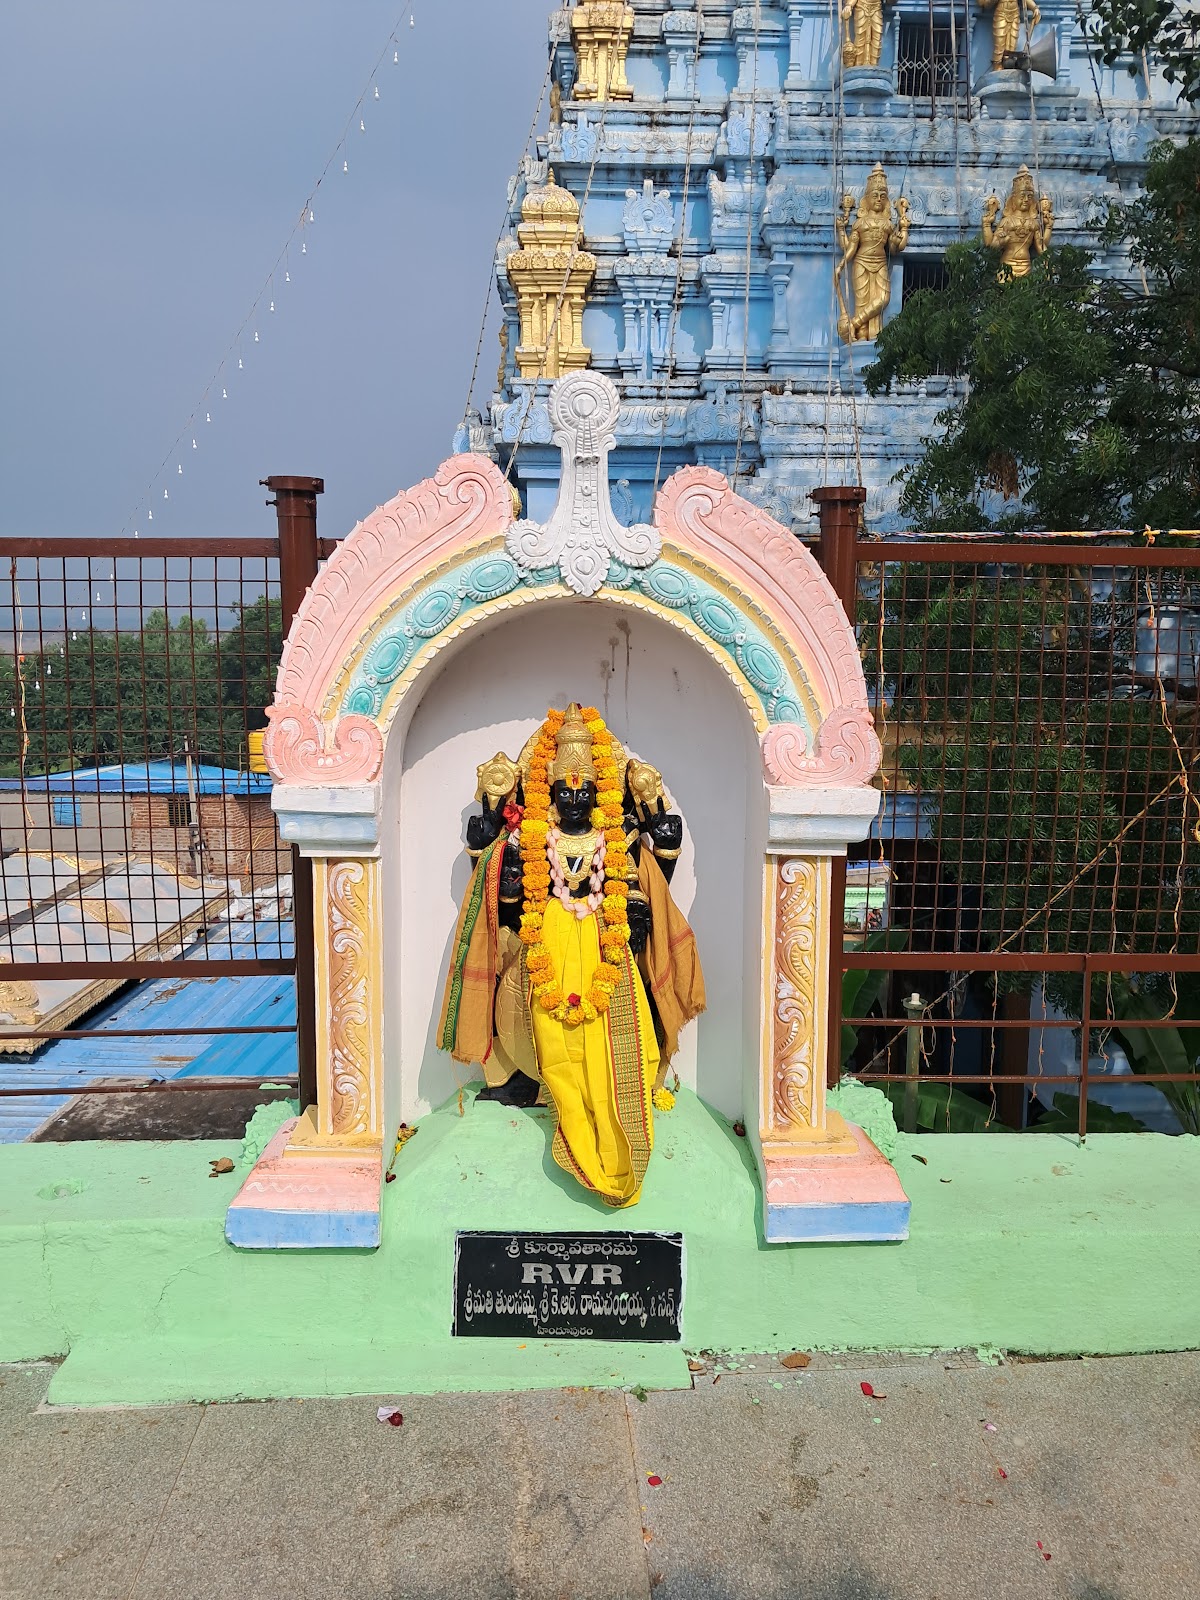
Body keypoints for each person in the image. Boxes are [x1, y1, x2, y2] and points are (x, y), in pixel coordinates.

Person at [438, 704, 705, 1207]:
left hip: (605, 947)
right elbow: (502, 893)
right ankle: (546, 1094)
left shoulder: (617, 837)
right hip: (548, 948)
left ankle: (625, 1107)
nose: (576, 799)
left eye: (585, 790)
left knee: (625, 1031)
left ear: (600, 792)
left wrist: (662, 854)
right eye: (566, 791)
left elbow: (646, 889)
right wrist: (490, 845)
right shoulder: (532, 840)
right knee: (540, 1027)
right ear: (552, 795)